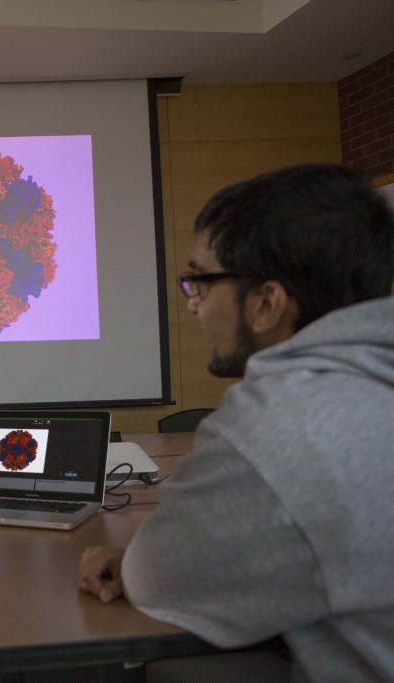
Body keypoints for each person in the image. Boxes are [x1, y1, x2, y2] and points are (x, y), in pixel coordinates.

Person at [78, 164, 394, 681]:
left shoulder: (276, 427)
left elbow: (154, 577)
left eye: (200, 282)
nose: (193, 305)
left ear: (267, 303)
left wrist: (131, 559)